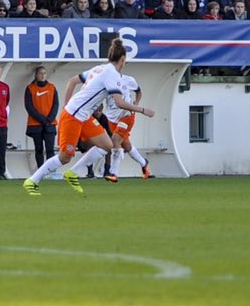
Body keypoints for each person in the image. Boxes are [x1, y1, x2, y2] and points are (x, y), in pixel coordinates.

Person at [24, 38, 153, 196]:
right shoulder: (111, 74)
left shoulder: (100, 68)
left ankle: (73, 173)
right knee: (65, 157)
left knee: (107, 144)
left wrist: (66, 104)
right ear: (123, 59)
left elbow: (72, 81)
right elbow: (119, 102)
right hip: (73, 116)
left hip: (83, 116)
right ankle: (32, 181)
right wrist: (142, 109)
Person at [102, 84, 153, 181]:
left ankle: (114, 173)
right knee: (126, 145)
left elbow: (138, 91)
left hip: (127, 116)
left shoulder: (128, 80)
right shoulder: (106, 81)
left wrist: (136, 105)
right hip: (112, 119)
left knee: (115, 141)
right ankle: (144, 163)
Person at [22, 65, 59, 169]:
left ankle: (50, 170)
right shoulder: (30, 88)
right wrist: (42, 119)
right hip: (35, 124)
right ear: (36, 75)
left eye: (44, 73)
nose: (42, 75)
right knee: (38, 149)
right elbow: (29, 106)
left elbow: (55, 104)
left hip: (50, 123)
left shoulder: (52, 87)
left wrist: (49, 119)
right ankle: (40, 170)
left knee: (50, 149)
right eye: (40, 73)